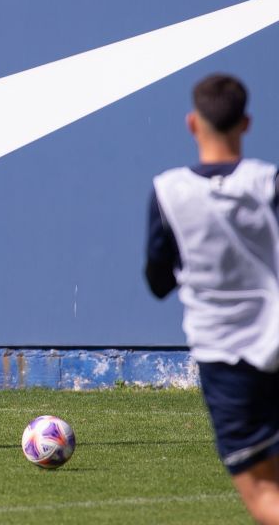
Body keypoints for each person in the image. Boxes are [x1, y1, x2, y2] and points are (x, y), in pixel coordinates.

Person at [145, 73, 279, 524]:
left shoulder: (169, 192)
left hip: (225, 357)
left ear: (191, 123)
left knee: (263, 492)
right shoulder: (269, 183)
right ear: (246, 123)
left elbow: (158, 280)